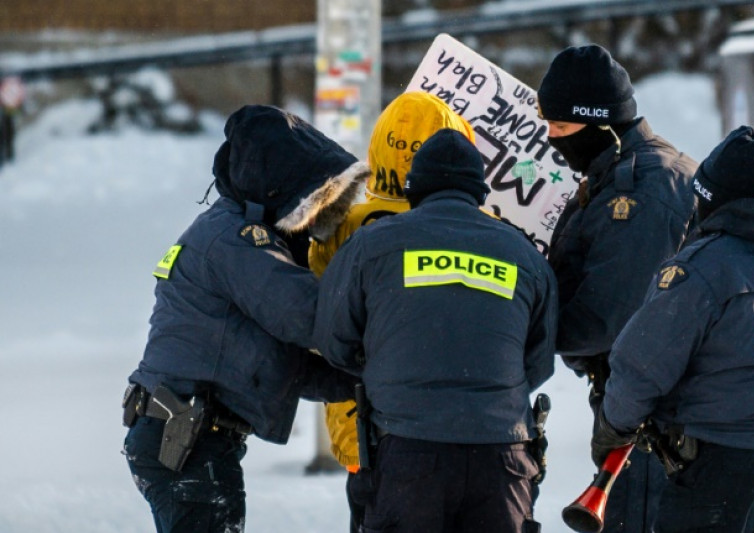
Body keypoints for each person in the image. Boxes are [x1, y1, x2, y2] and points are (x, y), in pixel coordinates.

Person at [122, 104, 368, 533]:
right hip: (185, 440)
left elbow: (280, 367)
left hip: (185, 436)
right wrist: (391, 318)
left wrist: (365, 378)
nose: (315, 218)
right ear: (281, 190)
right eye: (314, 200)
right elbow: (308, 315)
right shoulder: (236, 241)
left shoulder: (233, 235)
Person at [314, 128, 558, 533]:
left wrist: (389, 372)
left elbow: (334, 341)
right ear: (480, 192)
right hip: (502, 460)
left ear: (414, 190)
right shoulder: (524, 256)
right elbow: (538, 362)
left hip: (407, 456)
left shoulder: (369, 246)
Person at [591, 125, 754, 533]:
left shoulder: (702, 269)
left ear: (707, 200)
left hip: (722, 468)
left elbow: (640, 366)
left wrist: (613, 429)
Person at [536, 44, 698, 532]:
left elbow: (612, 317)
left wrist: (526, 333)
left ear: (600, 123)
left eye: (561, 128)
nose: (550, 139)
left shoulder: (642, 190)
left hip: (656, 418)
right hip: (642, 409)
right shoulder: (619, 173)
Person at [306, 91, 476, 533]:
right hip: (463, 435)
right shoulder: (478, 229)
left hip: (361, 429)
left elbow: (318, 315)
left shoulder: (342, 225)